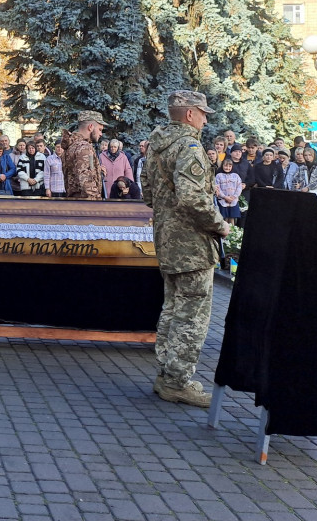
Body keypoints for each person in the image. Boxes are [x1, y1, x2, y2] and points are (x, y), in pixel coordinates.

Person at [141, 90, 230, 409]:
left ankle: (166, 373)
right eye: (203, 113)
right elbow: (193, 197)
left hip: (166, 239)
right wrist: (220, 224)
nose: (206, 119)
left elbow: (147, 192)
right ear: (190, 114)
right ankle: (178, 381)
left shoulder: (156, 145)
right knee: (191, 314)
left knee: (173, 307)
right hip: (192, 244)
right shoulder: (189, 146)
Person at [64, 111, 106, 200]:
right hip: (86, 204)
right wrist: (97, 201)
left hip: (75, 201)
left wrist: (97, 170)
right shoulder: (84, 148)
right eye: (100, 129)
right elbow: (86, 180)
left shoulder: (72, 146)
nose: (101, 134)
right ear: (90, 127)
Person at [292, 146, 317, 237]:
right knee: (306, 217)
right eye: (306, 155)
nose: (308, 157)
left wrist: (308, 187)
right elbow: (296, 179)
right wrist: (297, 185)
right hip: (305, 195)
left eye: (310, 155)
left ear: (314, 156)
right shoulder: (302, 168)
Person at [213, 157, 243, 225]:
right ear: (222, 166)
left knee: (232, 218)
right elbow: (217, 188)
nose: (228, 168)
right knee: (224, 218)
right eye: (226, 166)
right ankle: (224, 233)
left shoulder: (236, 176)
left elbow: (239, 187)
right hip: (222, 201)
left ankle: (232, 233)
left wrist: (234, 197)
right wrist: (224, 197)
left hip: (233, 200)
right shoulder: (218, 176)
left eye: (230, 166)